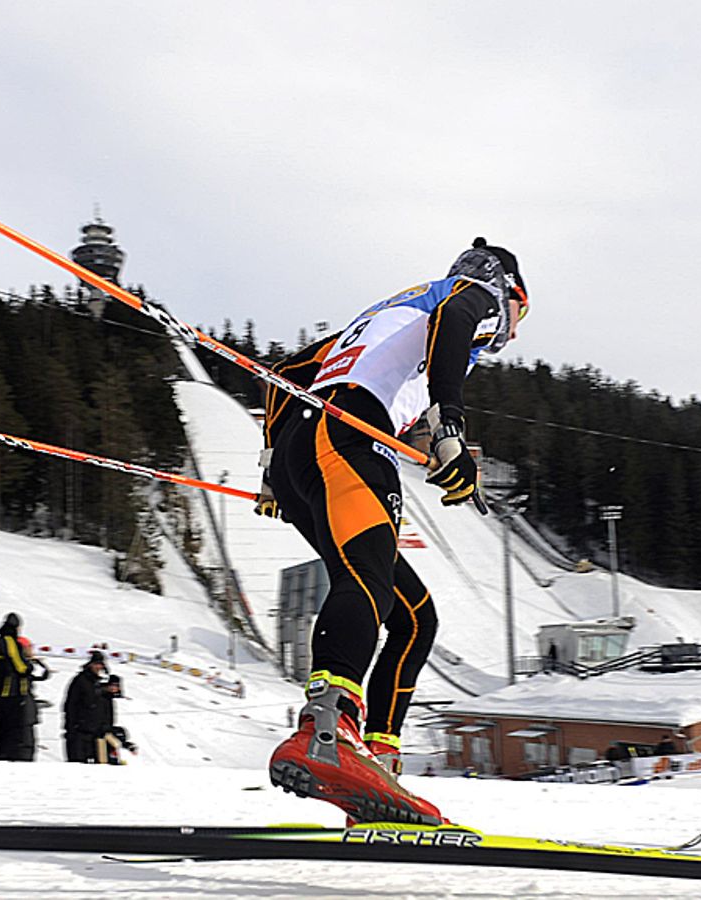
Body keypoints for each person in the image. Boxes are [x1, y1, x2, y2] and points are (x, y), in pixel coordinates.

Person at [259, 238, 528, 825]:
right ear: (508, 294)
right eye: (514, 320)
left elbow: (285, 373)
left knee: (412, 614)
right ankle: (328, 730)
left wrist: (272, 469)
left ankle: (375, 764)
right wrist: (450, 424)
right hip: (349, 439)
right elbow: (459, 322)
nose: (503, 336)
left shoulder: (385, 314)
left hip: (306, 445)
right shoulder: (470, 293)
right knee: (371, 588)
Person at [0, 613, 44, 761]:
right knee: (17, 729)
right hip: (13, 692)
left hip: (0, 691)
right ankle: (16, 756)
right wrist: (28, 668)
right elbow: (19, 665)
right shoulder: (9, 641)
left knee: (4, 729)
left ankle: (4, 755)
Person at [62, 650, 107, 763]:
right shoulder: (80, 681)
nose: (98, 667)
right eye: (96, 664)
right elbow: (71, 705)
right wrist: (72, 726)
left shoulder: (98, 683)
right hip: (79, 730)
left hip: (94, 732)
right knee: (78, 763)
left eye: (100, 665)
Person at [94, 675, 139, 764]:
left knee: (116, 737)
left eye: (117, 686)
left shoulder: (108, 698)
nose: (114, 688)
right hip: (99, 732)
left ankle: (113, 759)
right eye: (112, 685)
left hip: (106, 730)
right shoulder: (101, 697)